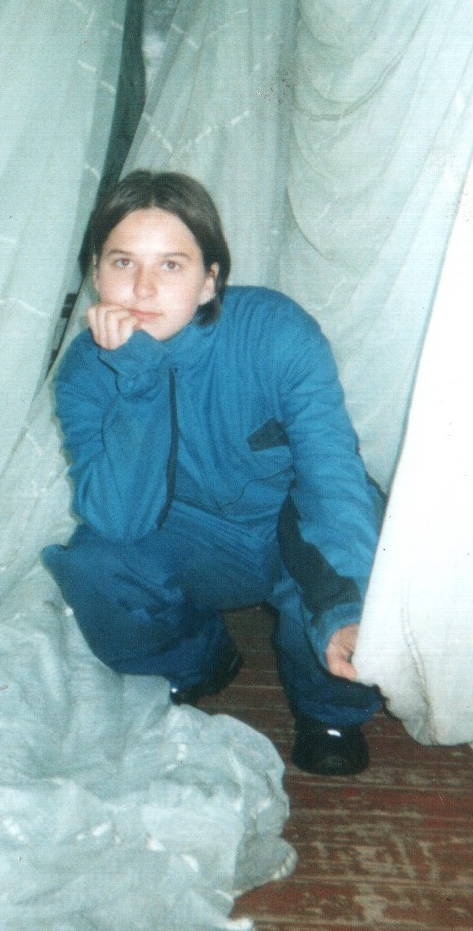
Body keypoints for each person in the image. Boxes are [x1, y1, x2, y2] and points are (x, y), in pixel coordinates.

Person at [42, 170, 383, 775]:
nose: (143, 287)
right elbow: (120, 521)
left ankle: (329, 708)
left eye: (171, 265)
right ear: (96, 273)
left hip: (291, 523)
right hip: (190, 536)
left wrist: (342, 608)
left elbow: (331, 475)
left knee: (367, 567)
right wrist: (139, 378)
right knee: (95, 567)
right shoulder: (84, 372)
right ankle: (197, 658)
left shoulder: (277, 332)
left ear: (209, 281)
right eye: (123, 262)